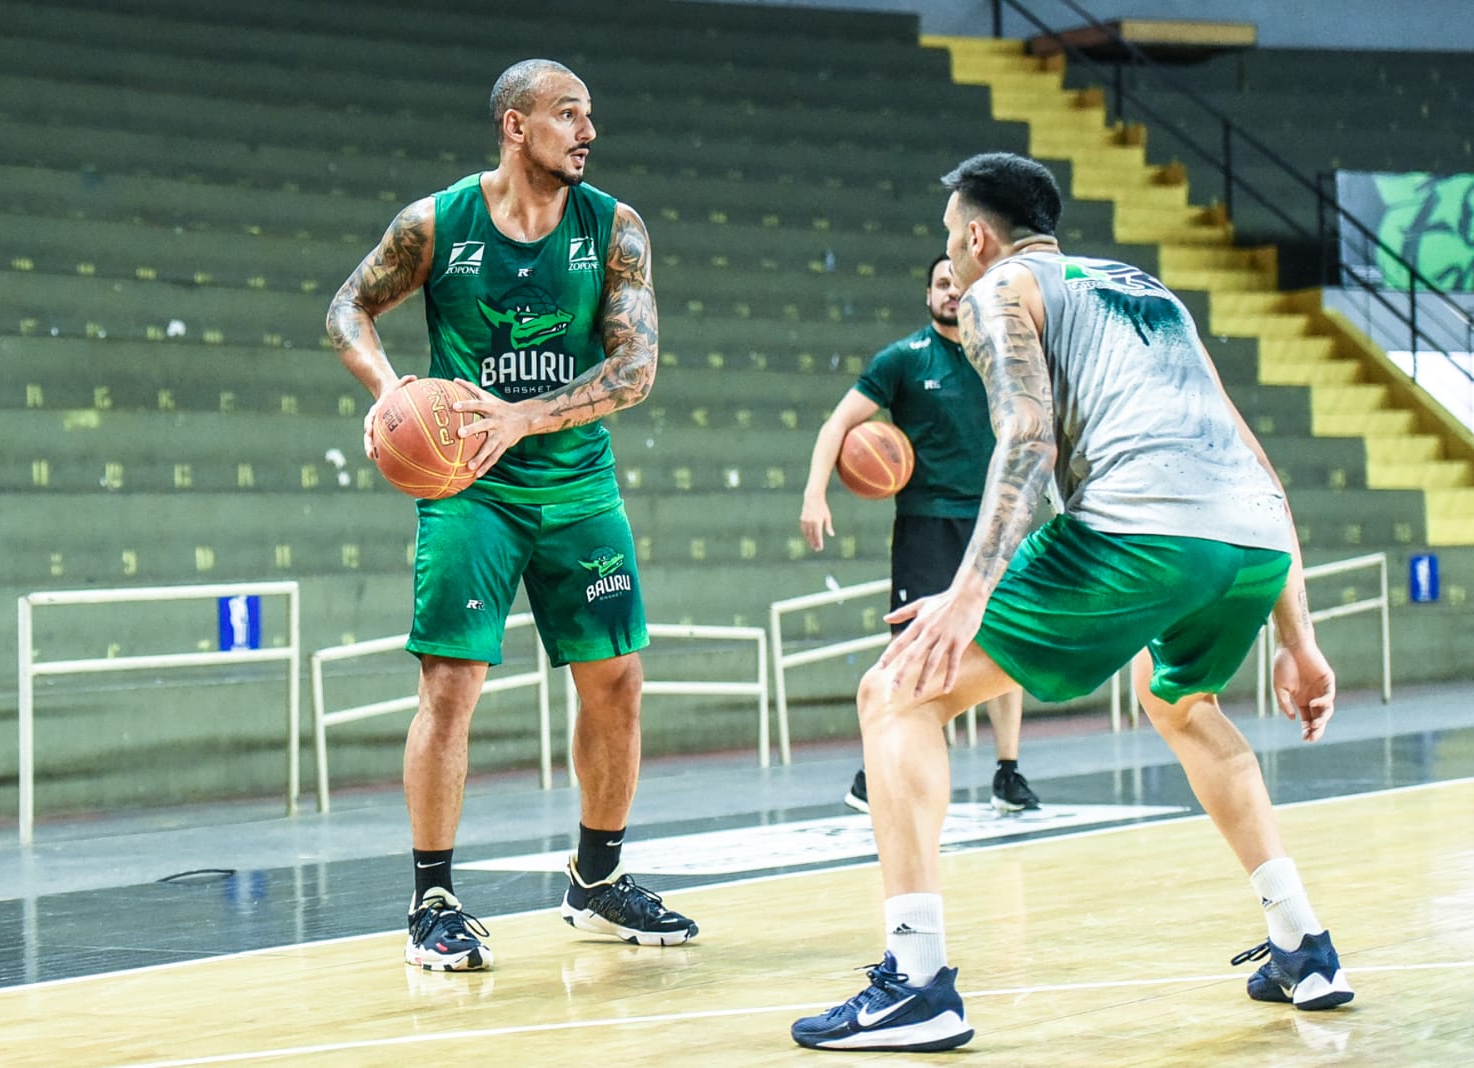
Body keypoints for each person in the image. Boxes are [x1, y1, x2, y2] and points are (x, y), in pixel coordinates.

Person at [791, 152, 1351, 1053]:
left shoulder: (997, 290)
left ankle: (915, 983)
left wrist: (968, 594)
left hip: (1139, 528)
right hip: (1249, 537)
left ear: (975, 236)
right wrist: (1299, 635)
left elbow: (1025, 439)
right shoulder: (1148, 291)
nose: (951, 252)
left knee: (895, 693)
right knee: (1177, 700)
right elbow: (1249, 453)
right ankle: (1303, 946)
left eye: (949, 237)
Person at [326, 58, 697, 972]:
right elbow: (348, 307)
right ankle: (433, 900)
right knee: (450, 688)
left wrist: (522, 416)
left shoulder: (614, 228)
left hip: (575, 484)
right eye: (568, 115)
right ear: (514, 125)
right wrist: (390, 389)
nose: (587, 131)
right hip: (468, 491)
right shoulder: (435, 224)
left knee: (617, 680)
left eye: (589, 116)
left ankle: (597, 880)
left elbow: (635, 369)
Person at [800, 253, 1039, 816]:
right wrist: (815, 494)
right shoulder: (903, 360)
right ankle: (876, 770)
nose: (951, 291)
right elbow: (837, 424)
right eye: (940, 283)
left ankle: (1008, 772)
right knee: (914, 648)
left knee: (1005, 646)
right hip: (927, 523)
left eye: (959, 282)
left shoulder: (1001, 357)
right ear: (928, 294)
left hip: (992, 524)